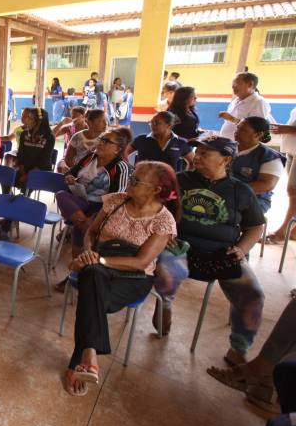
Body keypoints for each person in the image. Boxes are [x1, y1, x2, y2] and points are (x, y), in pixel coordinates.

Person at [62, 161, 179, 396]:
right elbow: (92, 232)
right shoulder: (115, 200)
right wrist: (88, 252)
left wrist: (99, 261)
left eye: (136, 181)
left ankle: (82, 357)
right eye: (131, 177)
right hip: (98, 267)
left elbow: (142, 263)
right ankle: (89, 355)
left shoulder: (163, 220)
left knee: (90, 289)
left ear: (156, 189)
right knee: (93, 278)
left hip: (133, 278)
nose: (129, 183)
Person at [155, 135, 265, 365]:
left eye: (206, 154)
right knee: (164, 274)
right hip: (179, 247)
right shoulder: (181, 181)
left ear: (225, 159)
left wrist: (242, 249)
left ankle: (239, 347)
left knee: (253, 294)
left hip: (222, 253)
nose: (198, 157)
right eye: (199, 152)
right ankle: (164, 305)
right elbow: (158, 210)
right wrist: (163, 235)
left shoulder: (240, 191)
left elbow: (255, 226)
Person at [55, 128, 133, 261]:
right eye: (101, 139)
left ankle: (77, 274)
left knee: (78, 233)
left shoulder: (121, 167)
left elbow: (116, 199)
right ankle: (87, 228)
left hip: (101, 208)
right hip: (80, 202)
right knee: (61, 194)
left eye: (106, 141)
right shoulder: (90, 157)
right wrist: (70, 178)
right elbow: (71, 172)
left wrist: (94, 217)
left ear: (117, 149)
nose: (101, 143)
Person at [232, 117, 285, 213]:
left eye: (242, 130)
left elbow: (267, 185)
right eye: (237, 128)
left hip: (254, 200)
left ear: (258, 134)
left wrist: (231, 192)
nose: (236, 132)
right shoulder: (227, 148)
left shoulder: (270, 157)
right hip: (222, 195)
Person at [3, 107, 55, 191]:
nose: (27, 121)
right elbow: (21, 154)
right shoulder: (24, 134)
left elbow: (44, 161)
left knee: (26, 185)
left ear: (39, 122)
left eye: (30, 118)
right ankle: (8, 199)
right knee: (6, 178)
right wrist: (22, 171)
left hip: (40, 170)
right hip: (24, 168)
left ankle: (23, 201)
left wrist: (27, 176)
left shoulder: (49, 137)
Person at [126, 111, 194, 171]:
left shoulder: (180, 143)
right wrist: (129, 171)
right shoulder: (141, 139)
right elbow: (124, 153)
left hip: (167, 184)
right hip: (143, 183)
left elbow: (192, 162)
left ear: (169, 125)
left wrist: (184, 178)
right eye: (151, 122)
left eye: (156, 123)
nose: (152, 125)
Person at [219, 72, 274, 139]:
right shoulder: (236, 100)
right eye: (233, 84)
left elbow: (255, 129)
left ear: (250, 84)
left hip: (241, 145)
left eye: (236, 84)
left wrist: (231, 119)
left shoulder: (258, 102)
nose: (233, 86)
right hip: (228, 143)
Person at [269, 106, 296, 243]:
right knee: (292, 192)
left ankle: (282, 231)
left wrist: (288, 129)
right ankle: (292, 229)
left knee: (293, 192)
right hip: (292, 150)